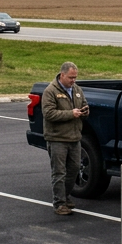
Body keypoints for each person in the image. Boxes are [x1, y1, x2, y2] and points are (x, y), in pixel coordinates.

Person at [41, 61, 90, 215]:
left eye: (75, 77)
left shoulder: (77, 90)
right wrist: (71, 114)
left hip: (74, 137)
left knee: (74, 169)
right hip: (57, 138)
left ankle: (65, 196)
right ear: (62, 75)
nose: (73, 80)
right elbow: (48, 113)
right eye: (70, 77)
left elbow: (84, 104)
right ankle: (59, 203)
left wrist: (85, 111)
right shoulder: (50, 91)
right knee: (59, 172)